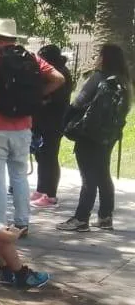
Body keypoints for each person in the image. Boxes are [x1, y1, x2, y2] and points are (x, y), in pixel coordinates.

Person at [0, 18, 66, 236]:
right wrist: (36, 96)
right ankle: (22, 223)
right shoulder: (32, 58)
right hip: (23, 127)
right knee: (19, 176)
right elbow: (58, 79)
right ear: (13, 38)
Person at [56, 43, 131, 232]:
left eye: (99, 55)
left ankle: (81, 218)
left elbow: (78, 102)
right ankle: (105, 216)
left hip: (89, 133)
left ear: (104, 58)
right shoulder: (124, 82)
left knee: (88, 177)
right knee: (103, 173)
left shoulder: (98, 78)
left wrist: (66, 122)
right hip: (109, 135)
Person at [30, 45, 74, 209]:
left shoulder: (60, 74)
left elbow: (55, 98)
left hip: (54, 121)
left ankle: (50, 194)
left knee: (49, 157)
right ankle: (41, 189)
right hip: (45, 121)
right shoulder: (55, 71)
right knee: (41, 156)